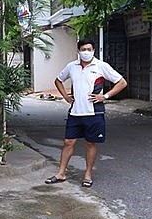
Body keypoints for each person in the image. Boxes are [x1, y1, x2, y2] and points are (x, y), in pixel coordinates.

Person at [45, 39, 127, 188]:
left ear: (93, 51)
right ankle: (61, 173)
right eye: (83, 49)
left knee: (90, 143)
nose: (86, 52)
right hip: (75, 112)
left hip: (94, 112)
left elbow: (122, 82)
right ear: (78, 51)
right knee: (68, 142)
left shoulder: (101, 66)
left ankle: (88, 174)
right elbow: (58, 80)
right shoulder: (72, 66)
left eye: (89, 49)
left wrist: (106, 96)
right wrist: (65, 96)